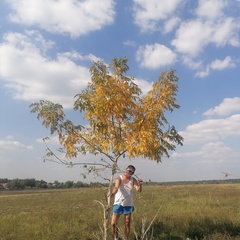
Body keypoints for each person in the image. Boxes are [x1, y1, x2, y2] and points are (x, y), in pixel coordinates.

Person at [109, 165, 143, 240]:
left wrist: (140, 185)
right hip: (118, 203)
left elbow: (138, 190)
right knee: (113, 223)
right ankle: (116, 237)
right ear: (126, 170)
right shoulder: (119, 178)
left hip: (128, 204)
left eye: (132, 172)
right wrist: (112, 194)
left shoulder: (133, 180)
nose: (130, 173)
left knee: (127, 223)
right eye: (129, 171)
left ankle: (126, 238)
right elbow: (116, 187)